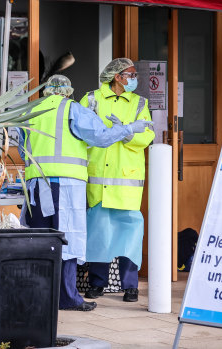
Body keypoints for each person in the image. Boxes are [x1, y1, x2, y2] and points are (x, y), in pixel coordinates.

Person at [19, 74, 153, 311]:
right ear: (68, 92)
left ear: (47, 91)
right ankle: (68, 298)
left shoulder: (30, 110)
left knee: (38, 240)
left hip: (36, 186)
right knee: (68, 240)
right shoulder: (73, 110)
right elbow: (101, 138)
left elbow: (22, 151)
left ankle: (38, 297)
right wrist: (128, 129)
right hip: (66, 186)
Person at [80, 58, 155, 302]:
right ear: (117, 76)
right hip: (98, 180)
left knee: (130, 236)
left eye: (134, 75)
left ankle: (130, 286)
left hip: (127, 181)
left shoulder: (139, 102)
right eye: (131, 74)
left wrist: (125, 131)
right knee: (99, 235)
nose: (135, 79)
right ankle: (97, 284)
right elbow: (80, 131)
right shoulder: (91, 99)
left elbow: (146, 136)